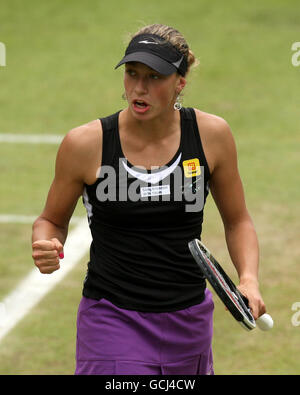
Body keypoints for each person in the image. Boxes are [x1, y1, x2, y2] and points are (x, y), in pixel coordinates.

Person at [32, 23, 266, 375]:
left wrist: (248, 278)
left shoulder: (211, 135)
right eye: (132, 73)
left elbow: (238, 220)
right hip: (112, 315)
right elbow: (51, 220)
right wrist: (45, 242)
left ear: (179, 83)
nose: (139, 87)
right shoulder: (86, 144)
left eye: (155, 77)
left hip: (188, 319)